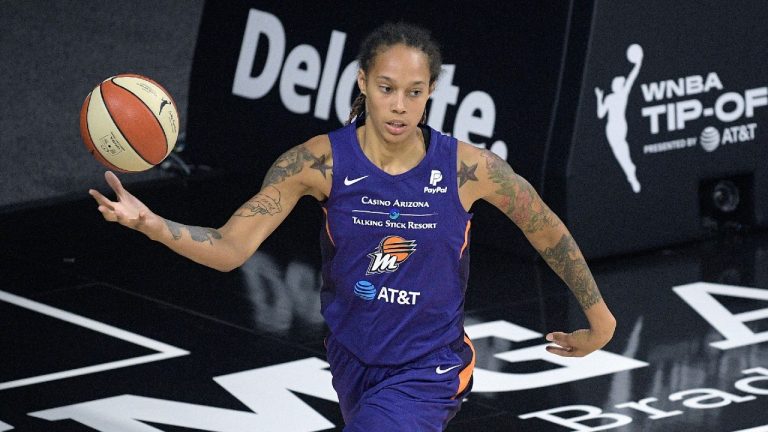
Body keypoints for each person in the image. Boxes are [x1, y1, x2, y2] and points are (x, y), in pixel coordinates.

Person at [89, 21, 616, 432]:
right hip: (351, 357)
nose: (400, 106)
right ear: (363, 81)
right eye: (387, 88)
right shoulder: (317, 163)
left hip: (430, 367)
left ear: (432, 91)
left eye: (415, 91)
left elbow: (544, 226)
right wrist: (151, 223)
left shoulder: (467, 169)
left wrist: (599, 317)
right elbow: (230, 248)